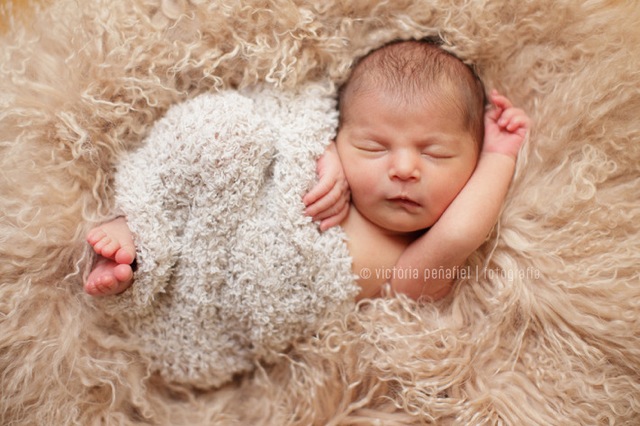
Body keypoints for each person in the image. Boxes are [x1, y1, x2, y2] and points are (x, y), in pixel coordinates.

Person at [85, 39, 530, 302]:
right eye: (373, 147)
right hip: (229, 204)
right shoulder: (327, 151)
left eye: (434, 154)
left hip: (223, 290)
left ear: (471, 166)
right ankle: (140, 221)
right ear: (341, 133)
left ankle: (139, 268)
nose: (403, 169)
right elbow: (290, 109)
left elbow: (459, 235)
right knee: (222, 129)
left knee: (176, 293)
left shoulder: (416, 267)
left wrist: (499, 156)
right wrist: (319, 146)